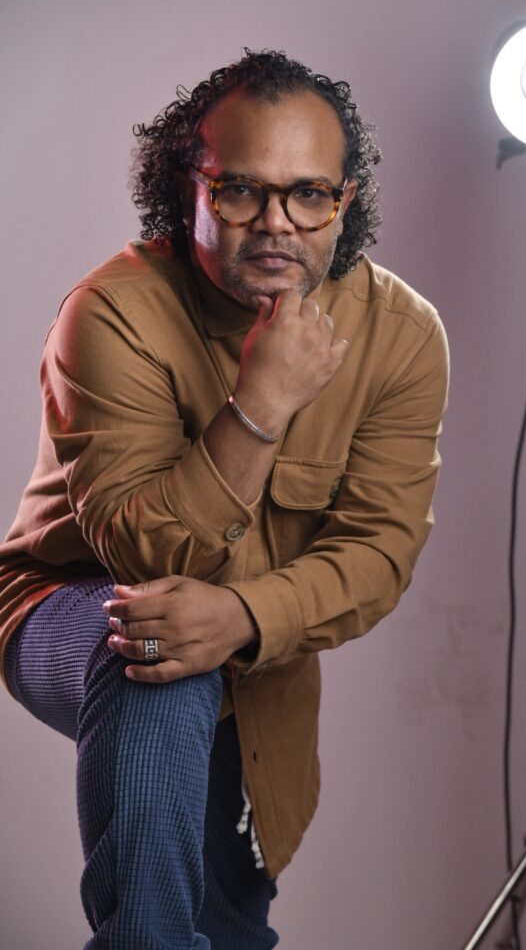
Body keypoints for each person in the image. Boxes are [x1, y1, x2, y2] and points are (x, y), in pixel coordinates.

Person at [0, 49, 449, 949]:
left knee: (229, 924)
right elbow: (144, 556)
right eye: (241, 190)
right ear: (190, 189)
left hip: (254, 663)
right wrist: (260, 407)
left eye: (308, 194)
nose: (276, 223)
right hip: (66, 606)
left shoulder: (401, 336)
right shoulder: (112, 313)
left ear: (345, 200)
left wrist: (243, 615)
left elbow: (378, 555)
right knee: (154, 641)